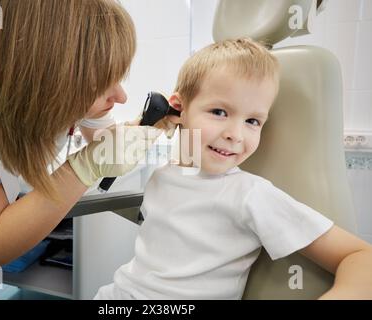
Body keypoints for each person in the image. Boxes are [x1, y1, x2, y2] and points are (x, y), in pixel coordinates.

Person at [94, 38, 372, 300]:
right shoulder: (164, 175)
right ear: (178, 109)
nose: (235, 135)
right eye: (219, 112)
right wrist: (147, 127)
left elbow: (360, 257)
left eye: (253, 120)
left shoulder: (249, 194)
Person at [0, 0, 162, 299]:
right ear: (42, 82)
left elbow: (102, 137)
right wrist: (85, 166)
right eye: (103, 83)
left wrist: (141, 132)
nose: (122, 96)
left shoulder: (68, 67)